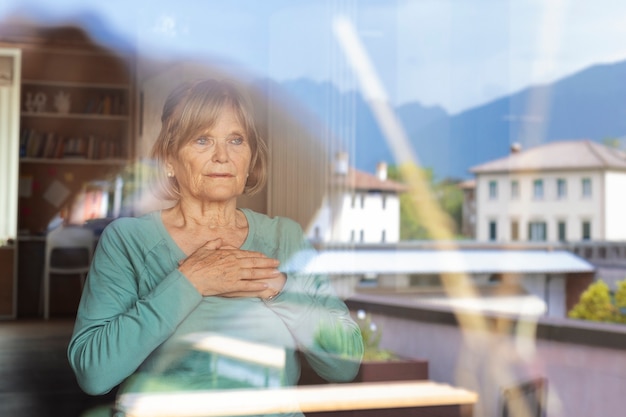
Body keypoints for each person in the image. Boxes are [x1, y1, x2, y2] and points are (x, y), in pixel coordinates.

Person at [67, 78, 364, 415]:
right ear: (168, 158)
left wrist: (277, 287)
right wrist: (190, 282)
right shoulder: (128, 240)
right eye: (202, 139)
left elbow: (344, 366)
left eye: (236, 140)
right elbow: (94, 374)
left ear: (250, 157)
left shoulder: (285, 238)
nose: (222, 156)